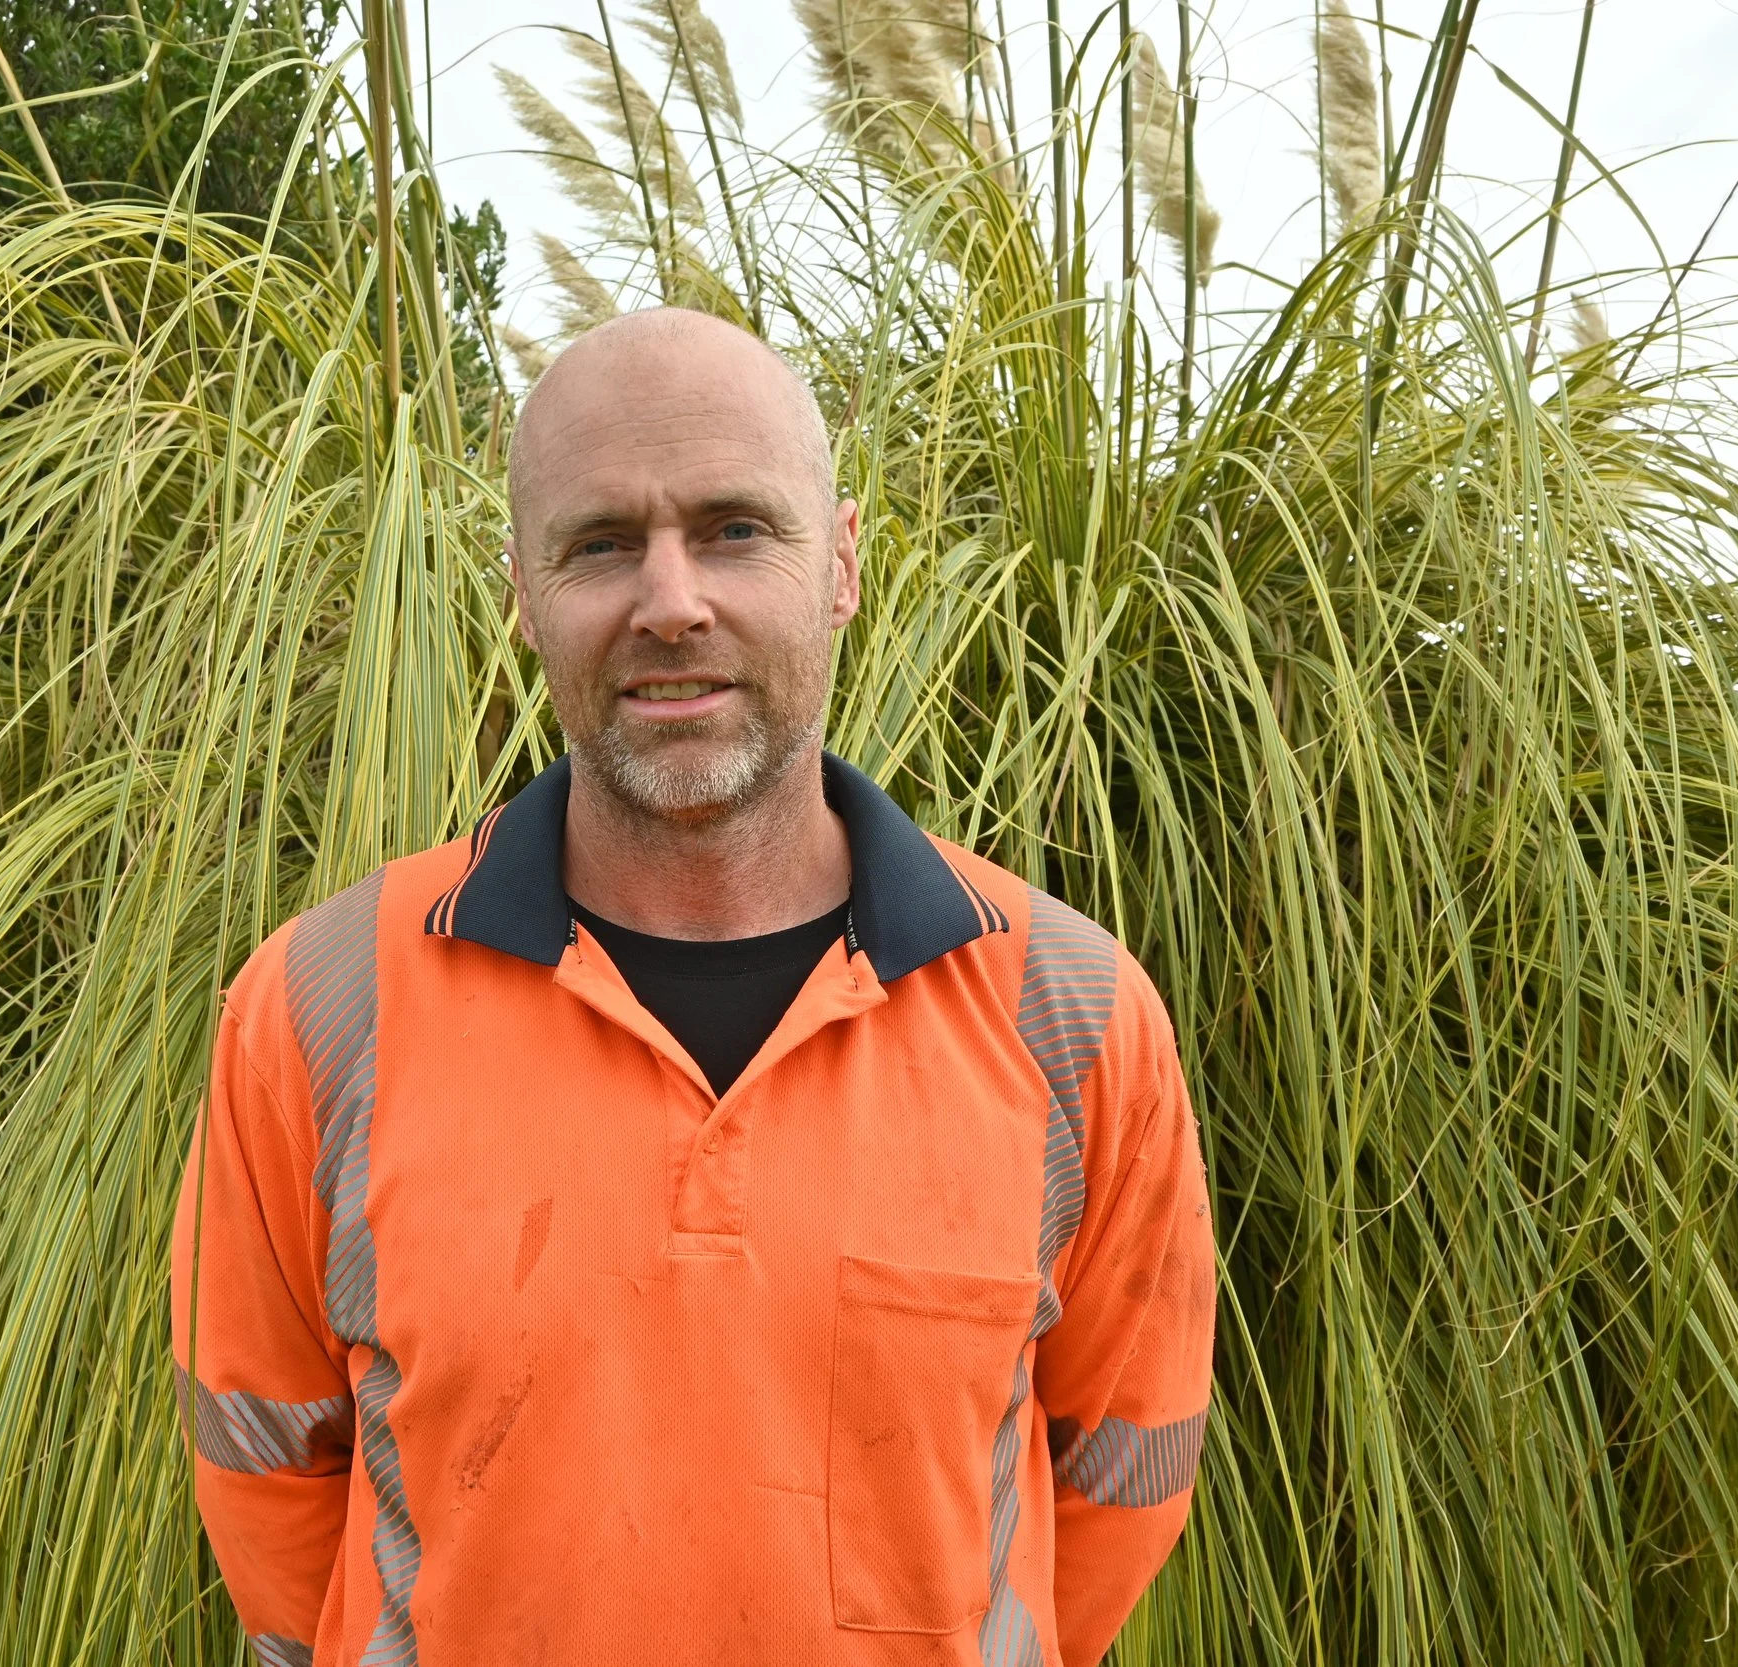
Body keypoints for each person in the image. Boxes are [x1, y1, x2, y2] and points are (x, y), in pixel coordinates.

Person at [170, 307, 1215, 1666]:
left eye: (734, 528)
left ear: (839, 564)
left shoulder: (1073, 1015)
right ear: (522, 589)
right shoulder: (319, 1003)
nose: (671, 602)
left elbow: (1121, 1479)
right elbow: (263, 1472)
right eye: (601, 542)